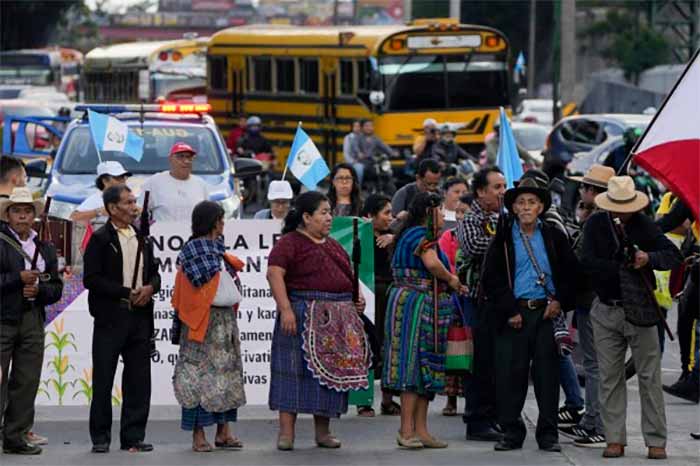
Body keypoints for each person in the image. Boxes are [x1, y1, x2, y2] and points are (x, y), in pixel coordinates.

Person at [582, 176, 682, 460]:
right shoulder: (595, 225)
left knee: (649, 377)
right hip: (606, 308)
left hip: (640, 309)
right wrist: (621, 266)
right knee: (610, 378)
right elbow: (587, 262)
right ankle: (614, 438)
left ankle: (656, 440)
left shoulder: (644, 224)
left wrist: (645, 258)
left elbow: (671, 255)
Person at [481, 177, 578, 453]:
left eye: (531, 203)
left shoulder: (554, 235)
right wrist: (509, 310)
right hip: (515, 314)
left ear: (541, 207)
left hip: (546, 312)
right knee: (511, 375)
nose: (525, 207)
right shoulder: (502, 237)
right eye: (520, 203)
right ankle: (512, 431)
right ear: (512, 208)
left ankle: (548, 435)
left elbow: (572, 274)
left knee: (548, 376)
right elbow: (492, 277)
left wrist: (559, 301)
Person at [267, 192, 370, 451]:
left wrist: (356, 299)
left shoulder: (333, 245)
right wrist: (286, 309)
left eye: (329, 212)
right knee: (290, 373)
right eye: (323, 212)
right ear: (306, 217)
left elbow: (346, 276)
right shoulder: (290, 243)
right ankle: (286, 434)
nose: (329, 217)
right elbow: (274, 274)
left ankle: (323, 433)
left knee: (328, 379)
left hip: (336, 320)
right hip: (301, 314)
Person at [384, 192, 467, 450]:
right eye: (440, 211)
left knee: (426, 368)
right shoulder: (420, 236)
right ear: (429, 212)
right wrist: (452, 280)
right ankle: (406, 430)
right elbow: (431, 264)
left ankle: (421, 430)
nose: (443, 216)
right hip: (416, 305)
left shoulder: (411, 235)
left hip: (421, 303)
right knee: (414, 365)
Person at [84, 185, 161, 454]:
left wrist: (150, 288)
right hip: (110, 316)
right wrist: (125, 292)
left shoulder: (143, 238)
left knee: (139, 379)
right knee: (104, 379)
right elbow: (91, 279)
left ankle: (133, 436)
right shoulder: (101, 238)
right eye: (128, 203)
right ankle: (101, 437)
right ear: (113, 208)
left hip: (140, 317)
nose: (134, 207)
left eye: (134, 202)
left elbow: (155, 273)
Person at [172, 201, 246, 452]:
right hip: (202, 322)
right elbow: (202, 278)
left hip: (224, 323)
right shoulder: (196, 250)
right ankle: (198, 435)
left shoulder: (218, 250)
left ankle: (224, 432)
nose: (223, 224)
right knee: (197, 377)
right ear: (213, 222)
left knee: (226, 374)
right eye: (221, 219)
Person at [0, 187, 63, 455]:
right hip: (2, 318)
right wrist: (18, 280)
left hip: (31, 319)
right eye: (17, 211)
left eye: (27, 211)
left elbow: (56, 287)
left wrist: (39, 291)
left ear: (34, 216)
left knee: (27, 380)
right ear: (8, 215)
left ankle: (15, 436)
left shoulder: (45, 248)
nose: (22, 216)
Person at [559, 164, 615, 448]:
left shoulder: (600, 222)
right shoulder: (595, 218)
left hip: (594, 300)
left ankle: (598, 422)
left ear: (594, 191)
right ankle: (591, 420)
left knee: (597, 365)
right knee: (595, 364)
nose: (581, 191)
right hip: (588, 300)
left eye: (584, 187)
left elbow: (583, 261)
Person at [455, 166, 506, 442]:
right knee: (479, 362)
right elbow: (474, 247)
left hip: (499, 300)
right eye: (497, 187)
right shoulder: (470, 217)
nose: (502, 192)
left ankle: (495, 416)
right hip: (477, 299)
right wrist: (504, 240)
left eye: (503, 186)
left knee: (498, 362)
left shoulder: (502, 216)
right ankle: (476, 420)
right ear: (481, 191)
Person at [358, 194, 401, 417]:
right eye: (386, 213)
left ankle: (387, 399)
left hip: (389, 295)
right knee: (365, 345)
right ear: (370, 215)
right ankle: (364, 401)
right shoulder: (358, 237)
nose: (390, 218)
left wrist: (393, 238)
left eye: (391, 213)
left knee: (389, 346)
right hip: (366, 298)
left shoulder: (394, 236)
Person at [140, 142, 209, 223]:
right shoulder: (155, 181)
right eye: (181, 157)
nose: (186, 161)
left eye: (189, 157)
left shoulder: (201, 185)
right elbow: (140, 211)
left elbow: (207, 214)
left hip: (194, 234)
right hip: (163, 234)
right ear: (170, 159)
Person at [71, 161, 132, 228]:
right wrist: (99, 212)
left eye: (123, 177)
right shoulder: (97, 199)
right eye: (118, 178)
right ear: (105, 181)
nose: (122, 181)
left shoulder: (129, 196)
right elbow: (73, 217)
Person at [350, 119, 396, 186]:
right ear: (362, 128)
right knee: (359, 170)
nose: (369, 128)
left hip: (373, 162)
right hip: (361, 162)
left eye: (371, 126)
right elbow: (355, 147)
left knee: (387, 171)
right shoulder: (357, 138)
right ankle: (357, 188)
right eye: (367, 126)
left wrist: (392, 152)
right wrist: (359, 153)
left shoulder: (376, 138)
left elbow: (384, 146)